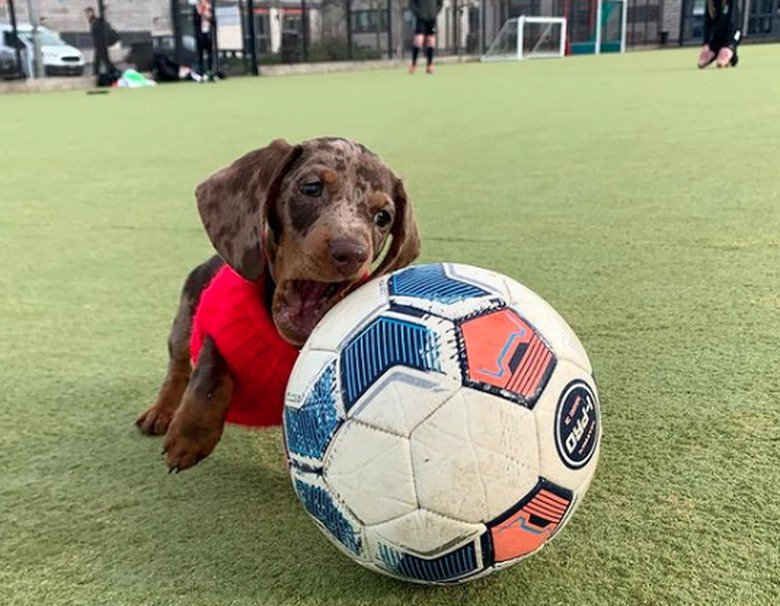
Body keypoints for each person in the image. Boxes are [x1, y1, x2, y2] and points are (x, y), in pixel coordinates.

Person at [697, 0, 741, 69]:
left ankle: (729, 52)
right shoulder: (710, 3)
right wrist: (706, 43)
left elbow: (732, 23)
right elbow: (707, 24)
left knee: (721, 61)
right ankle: (722, 52)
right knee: (702, 62)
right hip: (717, 36)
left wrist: (728, 46)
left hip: (733, 34)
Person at [409, 0, 443, 74]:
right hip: (421, 18)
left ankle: (429, 65)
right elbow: (411, 4)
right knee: (418, 39)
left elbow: (440, 4)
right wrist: (418, 13)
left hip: (432, 18)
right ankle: (413, 64)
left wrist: (434, 12)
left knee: (430, 40)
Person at [84, 7, 116, 77]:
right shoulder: (93, 22)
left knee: (103, 61)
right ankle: (98, 73)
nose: (86, 15)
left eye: (87, 13)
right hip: (100, 45)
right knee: (103, 61)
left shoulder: (95, 22)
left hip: (101, 45)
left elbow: (100, 34)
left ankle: (100, 73)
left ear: (91, 13)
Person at [193, 0, 216, 79]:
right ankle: (201, 73)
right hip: (200, 35)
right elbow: (195, 22)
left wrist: (208, 17)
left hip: (208, 35)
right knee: (200, 55)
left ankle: (210, 72)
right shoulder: (196, 9)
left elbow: (214, 22)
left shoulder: (210, 9)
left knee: (210, 54)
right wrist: (200, 15)